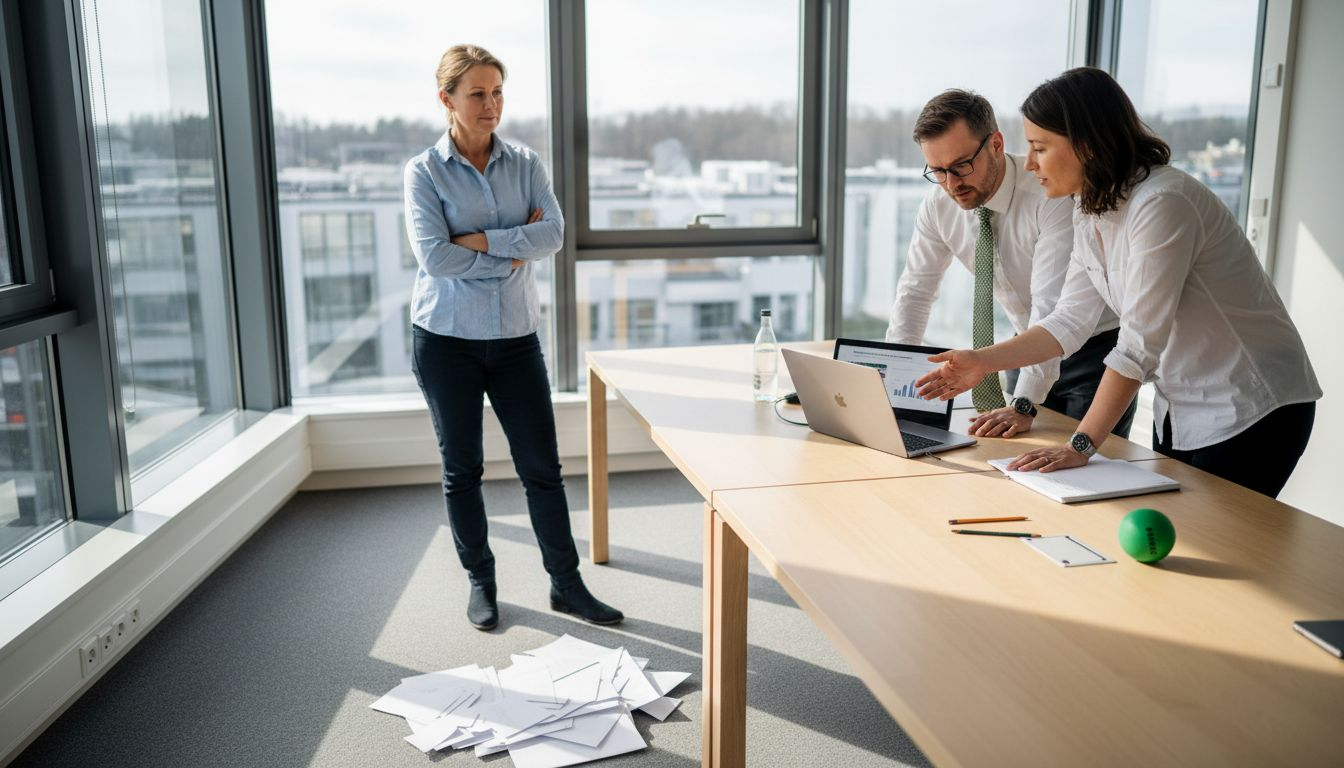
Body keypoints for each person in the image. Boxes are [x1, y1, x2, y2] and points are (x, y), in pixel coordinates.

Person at [916, 67, 1320, 498]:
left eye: (1040, 148)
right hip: (1183, 408)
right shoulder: (1090, 209)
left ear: (1086, 145)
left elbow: (1137, 346)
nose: (1030, 163)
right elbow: (1068, 320)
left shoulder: (1163, 203)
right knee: (1173, 532)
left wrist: (1081, 445)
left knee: (1220, 546)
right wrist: (982, 361)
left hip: (1253, 406)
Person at [404, 44, 622, 630]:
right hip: (445, 339)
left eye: (497, 92)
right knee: (463, 470)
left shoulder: (526, 162)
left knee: (542, 468)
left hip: (516, 338)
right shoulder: (423, 172)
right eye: (477, 93)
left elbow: (551, 235)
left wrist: (476, 239)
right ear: (446, 99)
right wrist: (508, 249)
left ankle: (566, 584)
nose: (490, 105)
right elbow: (433, 258)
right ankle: (482, 580)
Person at [888, 89, 1136, 439]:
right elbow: (915, 291)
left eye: (961, 166)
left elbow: (1053, 312)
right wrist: (896, 379)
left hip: (1092, 356)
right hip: (1022, 349)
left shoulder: (1050, 195)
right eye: (938, 171)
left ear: (996, 144)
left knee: (1086, 472)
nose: (951, 184)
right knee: (1010, 459)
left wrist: (1024, 403)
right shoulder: (937, 206)